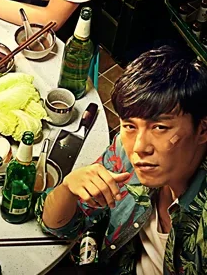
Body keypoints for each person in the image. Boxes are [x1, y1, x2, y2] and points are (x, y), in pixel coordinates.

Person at [36, 46, 207, 274]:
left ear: (202, 130)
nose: (139, 147)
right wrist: (68, 188)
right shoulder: (125, 153)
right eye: (129, 126)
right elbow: (58, 227)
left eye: (160, 127)